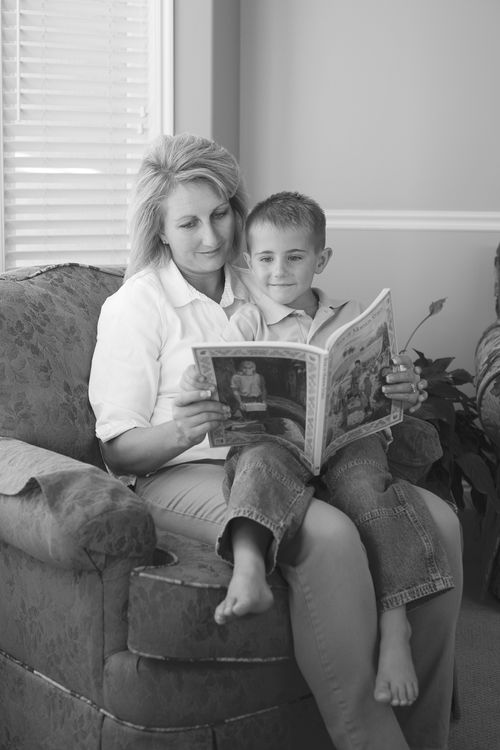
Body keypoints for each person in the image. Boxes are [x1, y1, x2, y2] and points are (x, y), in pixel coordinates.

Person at [88, 133, 462, 750]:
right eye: (188, 224)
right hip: (182, 470)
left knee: (440, 526)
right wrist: (185, 428)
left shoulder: (260, 272)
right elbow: (116, 451)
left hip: (298, 458)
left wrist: (391, 388)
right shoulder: (135, 306)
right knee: (331, 537)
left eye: (219, 215)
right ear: (159, 230)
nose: (210, 237)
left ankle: (422, 737)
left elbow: (324, 355)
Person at [198, 190, 454, 710]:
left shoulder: (350, 314)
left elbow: (384, 377)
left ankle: (395, 623)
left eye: (295, 257)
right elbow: (217, 381)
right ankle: (249, 566)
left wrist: (399, 382)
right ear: (249, 260)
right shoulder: (246, 321)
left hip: (347, 439)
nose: (279, 271)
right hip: (276, 441)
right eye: (265, 258)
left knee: (369, 489)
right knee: (257, 466)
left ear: (322, 259)